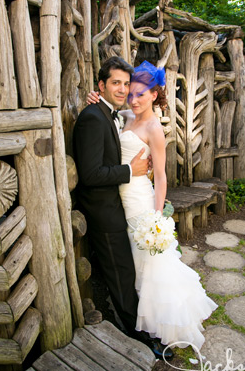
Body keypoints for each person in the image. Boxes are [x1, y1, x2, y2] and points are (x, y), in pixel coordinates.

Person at [86, 60, 217, 349]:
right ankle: (142, 320)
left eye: (140, 94)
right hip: (118, 199)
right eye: (130, 93)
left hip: (140, 202)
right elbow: (105, 112)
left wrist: (157, 218)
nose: (133, 98)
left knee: (153, 266)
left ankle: (163, 327)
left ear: (154, 95)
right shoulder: (124, 116)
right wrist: (93, 98)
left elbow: (161, 177)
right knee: (135, 265)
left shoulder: (154, 127)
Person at [73, 56, 173, 359]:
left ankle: (145, 325)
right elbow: (89, 174)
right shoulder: (93, 117)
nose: (122, 89)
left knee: (132, 271)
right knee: (122, 276)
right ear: (101, 85)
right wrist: (131, 171)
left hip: (125, 205)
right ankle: (140, 337)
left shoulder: (115, 115)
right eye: (115, 82)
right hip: (105, 211)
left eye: (126, 84)